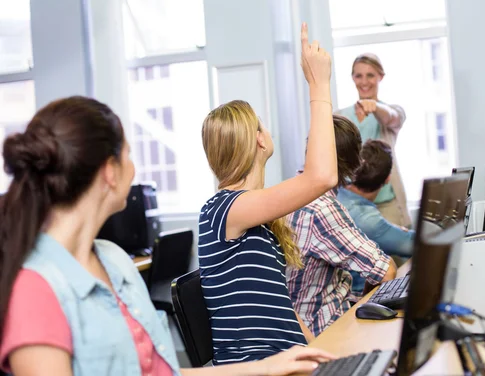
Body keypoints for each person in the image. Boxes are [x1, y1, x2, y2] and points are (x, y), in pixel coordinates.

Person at [0, 96, 335, 376]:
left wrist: (266, 367)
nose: (135, 169)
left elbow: (163, 372)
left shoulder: (113, 260)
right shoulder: (35, 289)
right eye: (129, 154)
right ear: (109, 172)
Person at [198, 23, 338, 365]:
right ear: (259, 140)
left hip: (286, 361)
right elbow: (322, 176)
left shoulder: (252, 215)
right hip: (258, 368)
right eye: (261, 123)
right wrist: (319, 86)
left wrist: (320, 352)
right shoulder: (222, 211)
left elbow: (280, 307)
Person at [286, 115, 398, 337]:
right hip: (323, 331)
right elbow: (386, 272)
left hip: (302, 323)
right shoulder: (322, 209)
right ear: (355, 163)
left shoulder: (287, 192)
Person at [336, 53, 410, 227]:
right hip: (351, 204)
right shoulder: (340, 116)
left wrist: (375, 106)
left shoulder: (391, 111)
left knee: (400, 250)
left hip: (387, 203)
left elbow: (391, 117)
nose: (364, 82)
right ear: (352, 78)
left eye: (370, 75)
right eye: (358, 75)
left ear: (380, 77)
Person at [337, 139, 415, 296]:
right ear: (387, 179)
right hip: (354, 299)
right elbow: (413, 245)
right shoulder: (367, 219)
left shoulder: (337, 192)